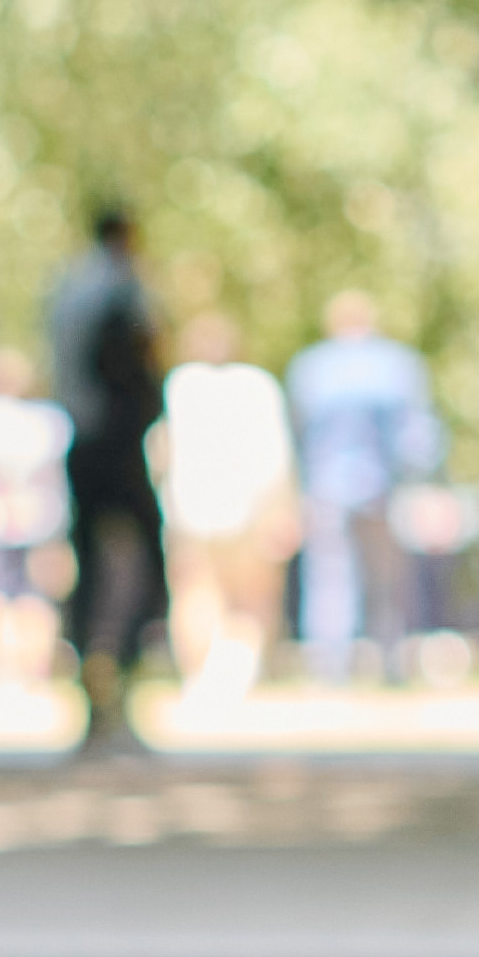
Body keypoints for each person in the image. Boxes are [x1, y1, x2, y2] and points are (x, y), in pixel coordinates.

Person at [49, 202, 167, 752]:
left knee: (89, 572)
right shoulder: (124, 286)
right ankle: (117, 680)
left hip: (82, 441)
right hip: (119, 445)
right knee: (145, 565)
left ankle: (95, 690)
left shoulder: (66, 288)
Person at [283, 290, 441, 678]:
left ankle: (329, 665)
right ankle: (389, 661)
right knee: (385, 581)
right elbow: (417, 436)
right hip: (381, 488)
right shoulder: (395, 364)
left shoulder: (312, 367)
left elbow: (297, 433)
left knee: (330, 579)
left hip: (327, 489)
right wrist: (425, 484)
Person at [157, 310, 297, 690]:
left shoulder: (178, 386)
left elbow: (159, 451)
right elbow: (276, 458)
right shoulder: (256, 387)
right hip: (241, 510)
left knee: (199, 591)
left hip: (193, 510)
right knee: (244, 597)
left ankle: (204, 674)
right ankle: (235, 672)